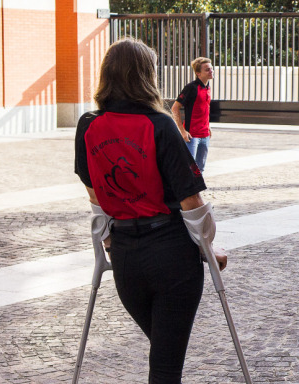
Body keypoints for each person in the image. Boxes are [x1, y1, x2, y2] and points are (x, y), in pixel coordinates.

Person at [75, 38, 225, 383]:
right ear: (147, 75)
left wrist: (111, 240)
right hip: (171, 255)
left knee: (163, 352)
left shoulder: (88, 124)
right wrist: (209, 246)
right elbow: (193, 204)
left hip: (127, 259)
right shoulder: (159, 124)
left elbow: (94, 194)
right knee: (166, 366)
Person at [171, 57, 214, 171]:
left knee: (200, 168)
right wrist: (182, 131)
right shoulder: (191, 88)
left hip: (205, 135)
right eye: (207, 69)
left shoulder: (207, 87)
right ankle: (184, 189)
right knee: (189, 168)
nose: (211, 71)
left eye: (211, 68)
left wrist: (208, 127)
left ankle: (197, 189)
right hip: (192, 136)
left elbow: (204, 109)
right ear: (198, 73)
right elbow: (175, 108)